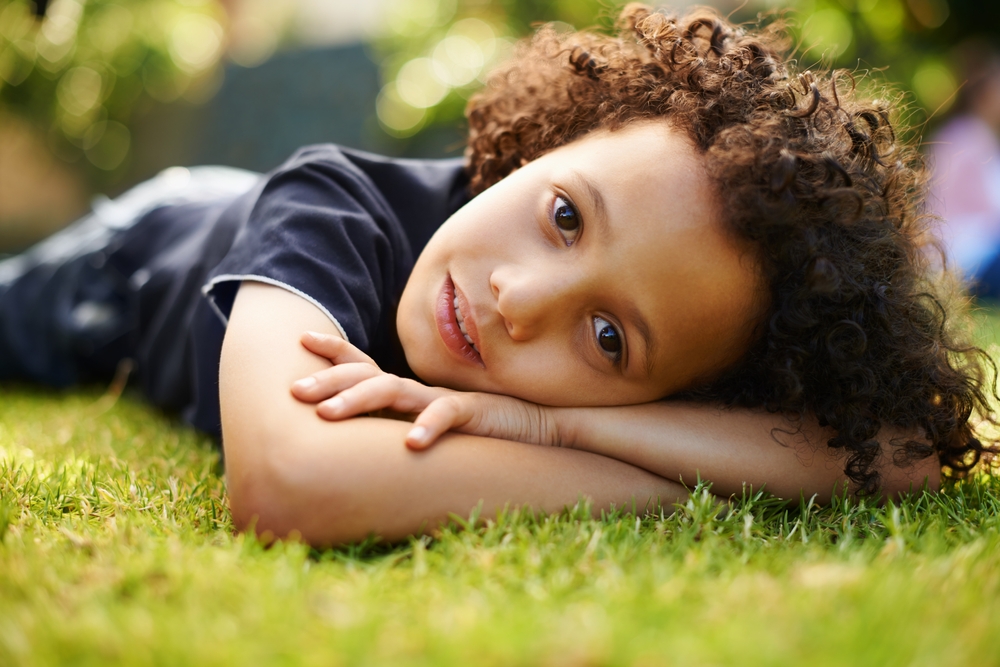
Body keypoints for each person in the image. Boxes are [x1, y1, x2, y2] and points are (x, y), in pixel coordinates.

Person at [0, 5, 993, 546]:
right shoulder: (331, 204)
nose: (518, 299)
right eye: (564, 216)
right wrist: (652, 475)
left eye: (609, 340)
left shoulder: (558, 382)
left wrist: (557, 423)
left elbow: (898, 456)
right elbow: (291, 478)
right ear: (550, 145)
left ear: (675, 389)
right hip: (136, 257)